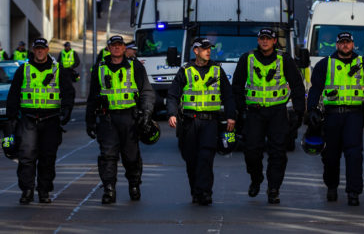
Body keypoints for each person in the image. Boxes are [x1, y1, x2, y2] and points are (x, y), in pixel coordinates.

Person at [306, 32, 364, 206]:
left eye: (348, 42)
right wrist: (311, 110)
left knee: (354, 154)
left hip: (354, 115)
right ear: (337, 45)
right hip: (331, 115)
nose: (345, 45)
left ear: (353, 44)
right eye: (342, 42)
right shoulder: (325, 64)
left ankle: (353, 192)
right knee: (330, 155)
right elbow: (315, 89)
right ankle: (331, 186)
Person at [232, 28, 305, 204]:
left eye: (268, 39)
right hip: (254, 113)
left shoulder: (284, 59)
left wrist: (299, 110)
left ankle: (274, 188)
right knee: (251, 151)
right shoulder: (247, 59)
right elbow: (236, 86)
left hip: (277, 113)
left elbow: (296, 85)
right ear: (258, 41)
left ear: (274, 41)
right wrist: (240, 110)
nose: (265, 41)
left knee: (278, 153)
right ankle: (256, 179)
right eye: (262, 38)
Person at [85, 35, 155, 204]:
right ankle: (109, 189)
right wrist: (90, 121)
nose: (116, 48)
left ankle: (134, 184)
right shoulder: (99, 68)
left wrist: (146, 114)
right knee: (108, 156)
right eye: (113, 45)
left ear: (124, 48)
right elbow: (92, 97)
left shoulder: (135, 66)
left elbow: (146, 91)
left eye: (119, 45)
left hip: (129, 119)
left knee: (131, 156)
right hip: (107, 119)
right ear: (108, 48)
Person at [167, 37, 236, 205]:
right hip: (189, 123)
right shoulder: (185, 70)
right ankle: (196, 191)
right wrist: (172, 113)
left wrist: (230, 116)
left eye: (209, 48)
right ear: (195, 51)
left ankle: (205, 192)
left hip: (210, 122)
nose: (208, 51)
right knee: (191, 159)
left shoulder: (217, 70)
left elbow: (228, 95)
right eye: (204, 48)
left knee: (206, 157)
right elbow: (173, 95)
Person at [6, 38, 75, 204]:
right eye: (37, 48)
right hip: (28, 119)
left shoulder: (58, 70)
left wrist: (66, 110)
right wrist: (12, 117)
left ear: (47, 50)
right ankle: (27, 190)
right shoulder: (24, 69)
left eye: (42, 49)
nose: (39, 51)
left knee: (47, 158)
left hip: (50, 120)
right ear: (33, 50)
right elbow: (14, 94)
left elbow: (68, 92)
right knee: (27, 157)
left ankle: (44, 191)